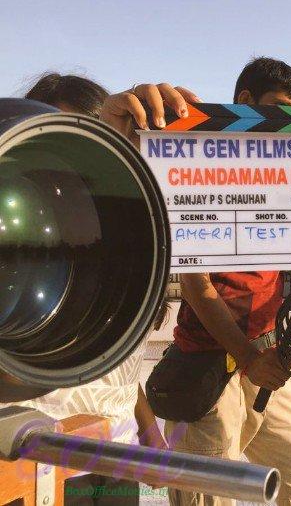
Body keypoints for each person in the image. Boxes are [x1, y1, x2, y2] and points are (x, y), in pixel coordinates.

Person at [100, 57, 291, 506]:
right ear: (245, 101)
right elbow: (197, 286)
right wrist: (248, 357)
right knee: (207, 496)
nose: (284, 124)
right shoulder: (199, 169)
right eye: (277, 110)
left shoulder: (283, 178)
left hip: (272, 356)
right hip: (209, 365)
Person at [1, 72, 168, 505]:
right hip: (38, 462)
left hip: (116, 458)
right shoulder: (24, 257)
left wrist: (149, 430)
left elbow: (112, 361)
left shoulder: (123, 258)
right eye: (54, 147)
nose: (69, 176)